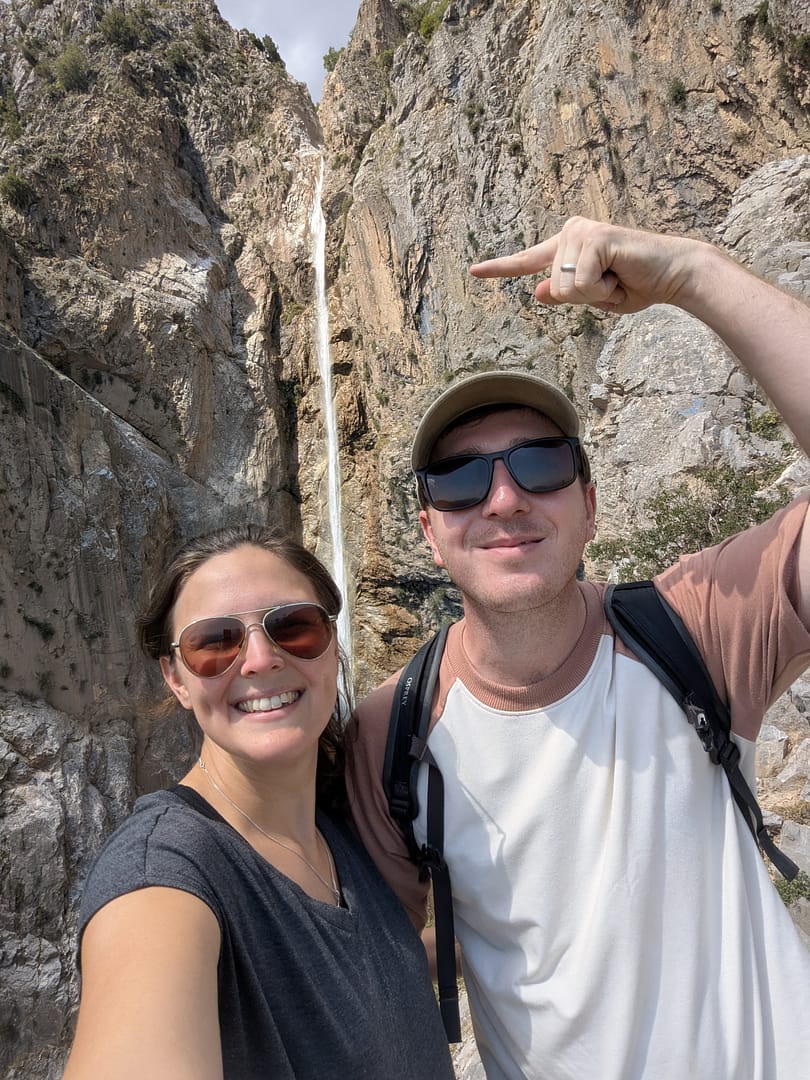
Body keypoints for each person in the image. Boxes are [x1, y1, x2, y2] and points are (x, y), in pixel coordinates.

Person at [347, 216, 810, 1079]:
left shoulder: (696, 630)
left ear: (589, 505)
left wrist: (693, 271)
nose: (501, 499)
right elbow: (375, 984)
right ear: (428, 532)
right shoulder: (390, 737)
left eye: (541, 464)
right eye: (457, 480)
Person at [64, 525, 455, 1080]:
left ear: (332, 645)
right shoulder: (164, 875)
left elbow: (358, 974)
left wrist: (496, 945)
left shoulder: (342, 829)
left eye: (294, 627)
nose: (258, 660)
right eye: (215, 641)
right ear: (175, 677)